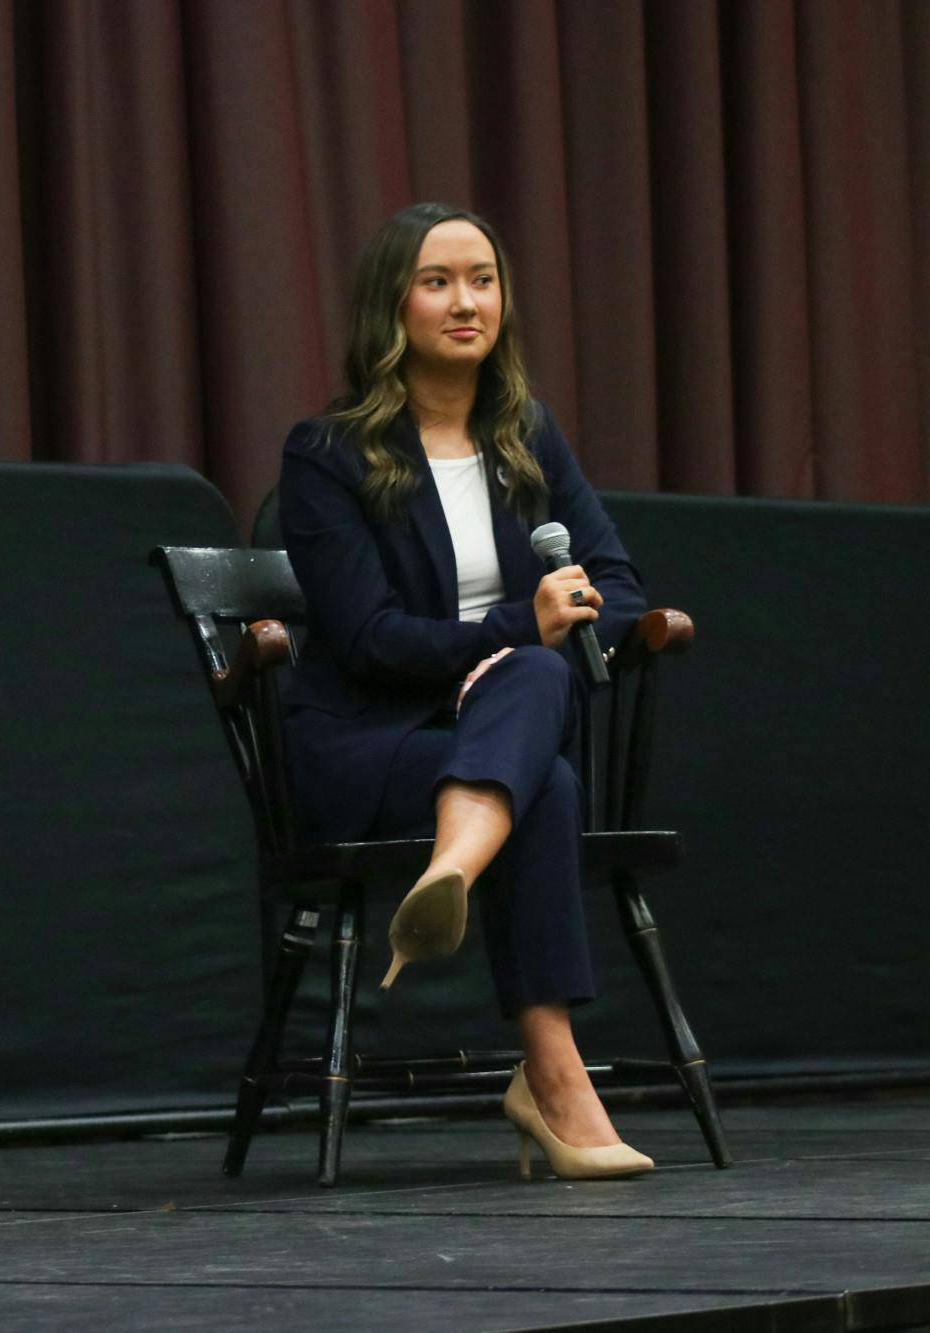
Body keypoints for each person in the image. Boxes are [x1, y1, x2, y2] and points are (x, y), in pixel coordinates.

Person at [276, 201, 655, 1180]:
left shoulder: (526, 435)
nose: (465, 302)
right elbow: (365, 640)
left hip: (495, 726)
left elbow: (617, 588)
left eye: (481, 280)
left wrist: (532, 641)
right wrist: (513, 632)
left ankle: (453, 867)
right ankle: (553, 1077)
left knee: (535, 679)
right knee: (545, 771)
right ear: (391, 306)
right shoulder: (325, 454)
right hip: (369, 744)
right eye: (437, 281)